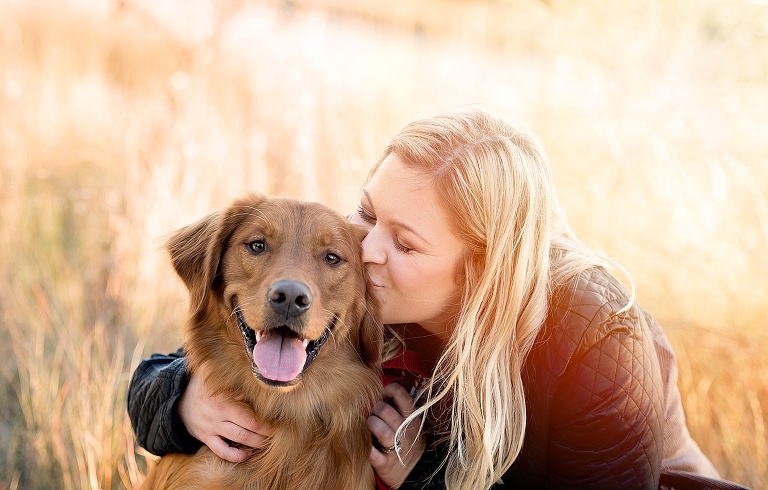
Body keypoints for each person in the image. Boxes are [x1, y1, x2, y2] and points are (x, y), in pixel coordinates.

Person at [129, 109, 730, 489]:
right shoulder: (369, 286)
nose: (364, 250)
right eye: (367, 213)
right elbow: (215, 354)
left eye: (406, 243)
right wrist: (179, 400)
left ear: (478, 273)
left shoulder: (601, 343)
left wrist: (424, 479)